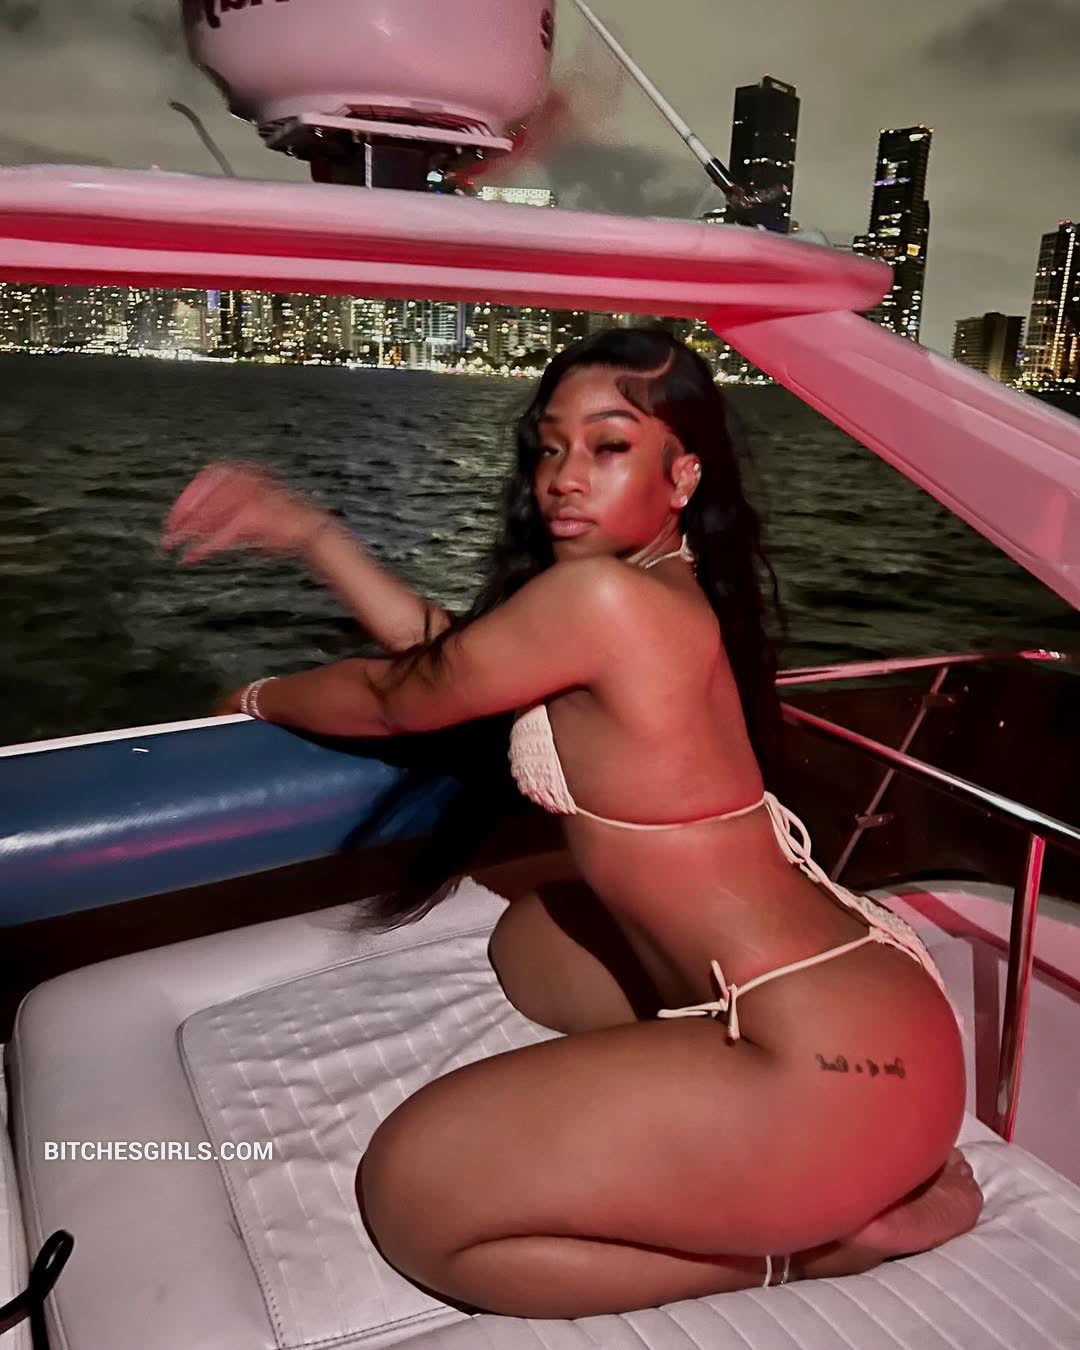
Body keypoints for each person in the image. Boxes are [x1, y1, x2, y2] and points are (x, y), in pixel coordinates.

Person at [162, 327, 982, 1320]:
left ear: (682, 476)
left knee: (416, 1197)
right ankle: (798, 1134)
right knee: (531, 943)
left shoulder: (602, 597)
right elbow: (453, 656)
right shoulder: (651, 590)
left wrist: (252, 697)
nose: (564, 475)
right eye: (550, 446)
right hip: (869, 1007)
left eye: (608, 445)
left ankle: (816, 1253)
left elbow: (399, 697)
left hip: (835, 1070)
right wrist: (311, 536)